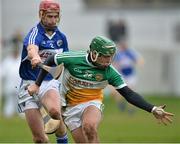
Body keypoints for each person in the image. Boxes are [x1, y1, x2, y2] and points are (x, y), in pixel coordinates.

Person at [27, 36, 174, 143]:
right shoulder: (74, 58)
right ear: (94, 53)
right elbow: (51, 59)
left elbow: (128, 94)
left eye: (111, 57)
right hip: (68, 107)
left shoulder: (110, 72)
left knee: (90, 127)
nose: (108, 61)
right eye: (105, 57)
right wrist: (37, 85)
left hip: (92, 102)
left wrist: (153, 109)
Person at [18, 0, 69, 143]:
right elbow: (32, 48)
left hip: (48, 83)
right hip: (28, 87)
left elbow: (66, 59)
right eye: (49, 16)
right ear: (41, 15)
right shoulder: (35, 33)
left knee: (54, 112)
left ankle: (62, 140)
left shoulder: (61, 37)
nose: (53, 20)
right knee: (39, 139)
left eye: (55, 16)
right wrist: (35, 57)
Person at [105, 40, 145, 114]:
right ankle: (121, 103)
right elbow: (113, 62)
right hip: (122, 74)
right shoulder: (118, 54)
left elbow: (140, 60)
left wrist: (138, 63)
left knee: (130, 92)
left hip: (130, 75)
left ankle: (131, 109)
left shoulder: (130, 53)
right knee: (115, 91)